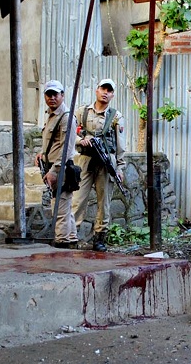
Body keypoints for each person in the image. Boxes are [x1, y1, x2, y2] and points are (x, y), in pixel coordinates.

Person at [73, 78, 125, 251]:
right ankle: (72, 235)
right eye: (103, 88)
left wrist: (120, 168)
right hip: (85, 160)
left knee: (104, 203)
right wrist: (81, 140)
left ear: (112, 95)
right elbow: (70, 133)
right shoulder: (82, 112)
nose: (105, 92)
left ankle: (99, 238)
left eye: (109, 90)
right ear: (96, 90)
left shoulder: (116, 117)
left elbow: (120, 146)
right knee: (78, 199)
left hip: (105, 163)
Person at [35, 80, 78, 248]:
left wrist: (54, 171)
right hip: (53, 165)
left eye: (55, 94)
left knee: (59, 209)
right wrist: (42, 154)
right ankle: (71, 238)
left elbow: (67, 148)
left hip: (62, 168)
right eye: (49, 94)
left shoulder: (66, 117)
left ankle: (61, 244)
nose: (52, 98)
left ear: (62, 95)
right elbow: (54, 142)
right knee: (64, 207)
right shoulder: (52, 115)